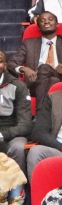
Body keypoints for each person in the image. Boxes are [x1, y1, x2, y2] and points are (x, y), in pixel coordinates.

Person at [9, 11, 62, 103]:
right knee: (48, 75)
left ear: (57, 25)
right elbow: (11, 64)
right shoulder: (29, 43)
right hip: (35, 82)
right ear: (39, 27)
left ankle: (41, 116)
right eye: (42, 21)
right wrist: (23, 69)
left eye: (50, 19)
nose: (46, 22)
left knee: (47, 72)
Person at [0, 47, 31, 175]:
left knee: (18, 147)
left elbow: (25, 124)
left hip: (12, 133)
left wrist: (3, 135)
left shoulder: (18, 86)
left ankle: (17, 190)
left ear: (5, 65)